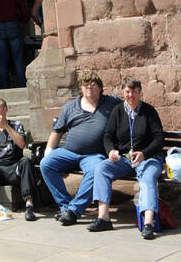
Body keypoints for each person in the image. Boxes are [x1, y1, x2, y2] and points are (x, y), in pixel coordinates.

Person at [89, 78, 165, 239]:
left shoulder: (149, 111)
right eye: (127, 92)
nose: (131, 95)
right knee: (101, 168)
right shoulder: (117, 111)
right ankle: (103, 218)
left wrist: (144, 153)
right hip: (124, 159)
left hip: (147, 157)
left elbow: (159, 139)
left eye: (134, 92)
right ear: (123, 93)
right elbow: (108, 136)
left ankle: (148, 223)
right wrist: (111, 151)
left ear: (140, 93)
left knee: (148, 176)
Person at [39, 72, 121, 224]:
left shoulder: (111, 103)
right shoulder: (71, 106)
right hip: (69, 151)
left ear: (100, 88)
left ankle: (74, 210)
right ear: (81, 88)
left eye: (93, 85)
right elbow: (57, 131)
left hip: (94, 155)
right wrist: (48, 152)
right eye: (86, 86)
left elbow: (130, 106)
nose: (89, 89)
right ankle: (65, 207)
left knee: (96, 171)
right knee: (46, 164)